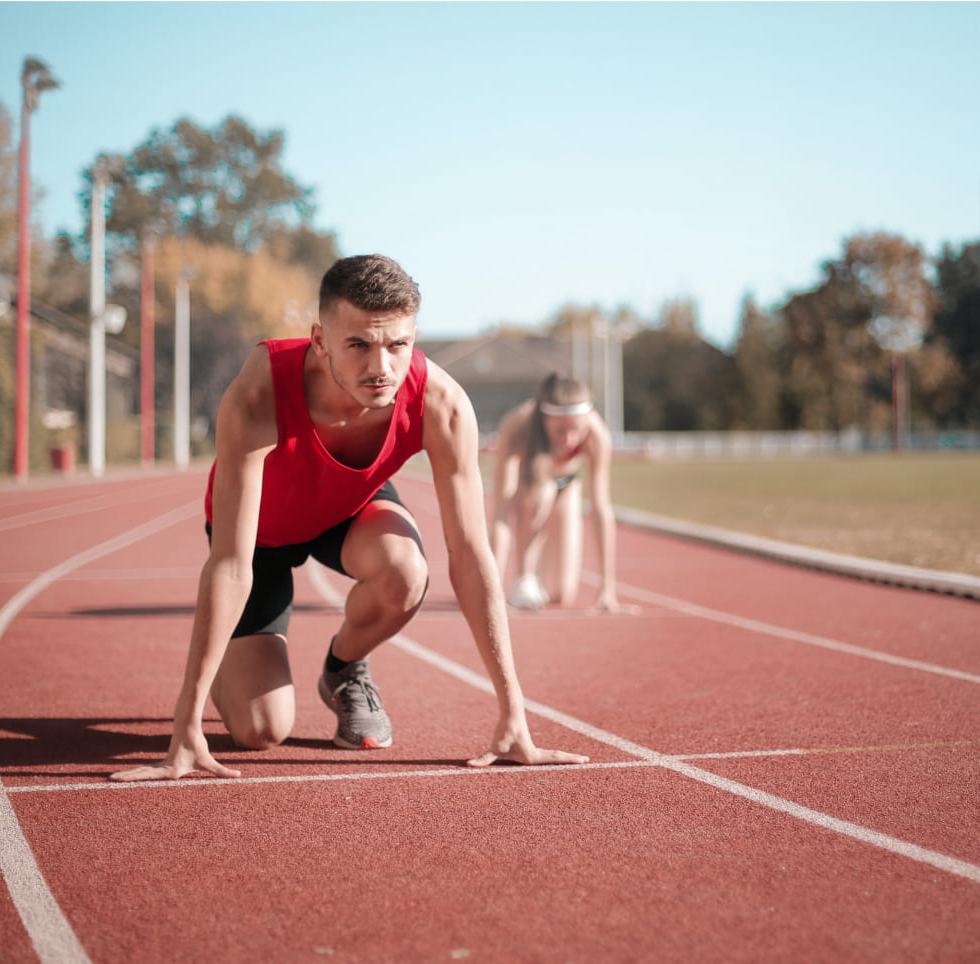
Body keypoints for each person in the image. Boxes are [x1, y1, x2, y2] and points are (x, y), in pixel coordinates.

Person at [111, 255, 588, 781]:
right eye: (358, 344)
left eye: (397, 345)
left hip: (348, 510)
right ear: (320, 340)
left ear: (413, 337)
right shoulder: (259, 391)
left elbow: (472, 555)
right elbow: (229, 562)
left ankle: (343, 670)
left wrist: (513, 715)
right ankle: (229, 655)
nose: (380, 367)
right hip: (260, 537)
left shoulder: (442, 404)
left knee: (407, 571)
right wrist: (186, 726)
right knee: (260, 731)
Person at [489, 373, 630, 613]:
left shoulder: (597, 433)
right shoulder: (516, 426)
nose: (570, 439)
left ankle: (543, 570)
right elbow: (501, 513)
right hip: (530, 487)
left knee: (560, 594)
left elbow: (601, 510)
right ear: (544, 421)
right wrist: (491, 593)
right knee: (543, 492)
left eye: (577, 430)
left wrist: (607, 589)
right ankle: (524, 577)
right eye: (560, 431)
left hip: (567, 485)